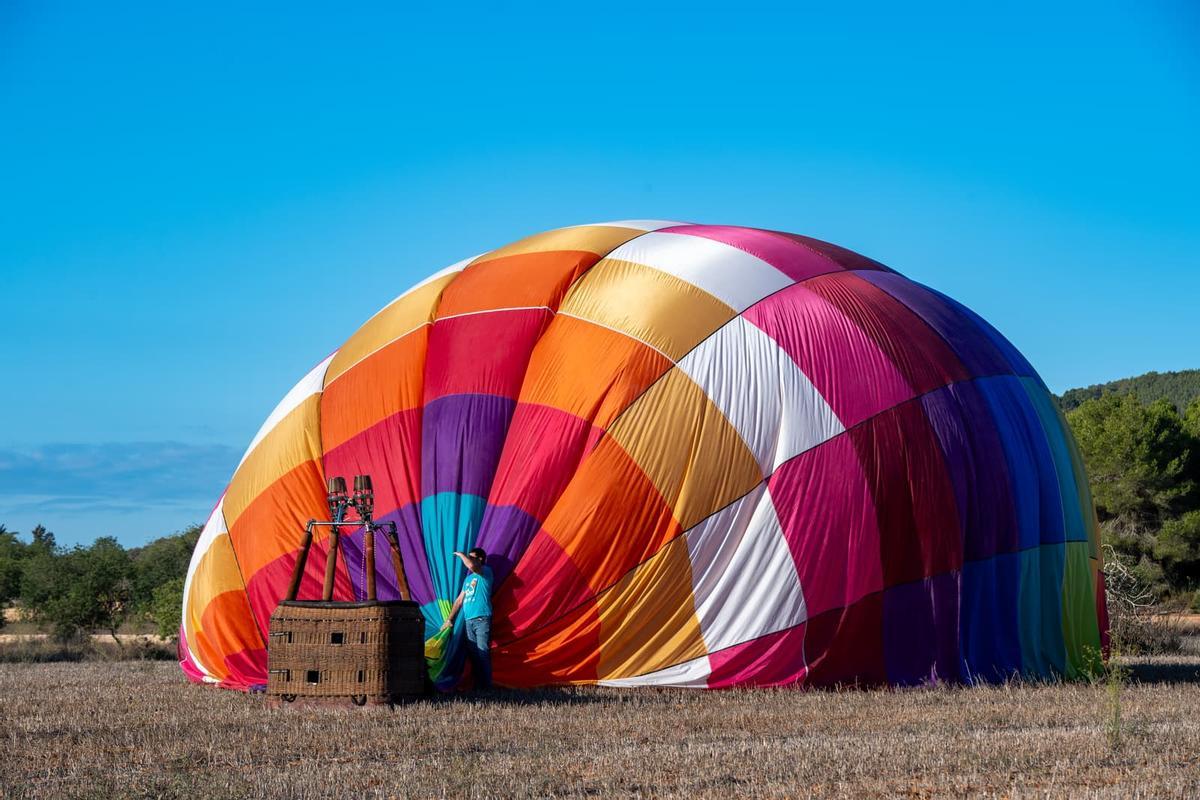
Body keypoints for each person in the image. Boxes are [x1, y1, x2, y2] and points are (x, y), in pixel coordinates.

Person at [440, 547, 494, 690]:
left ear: (480, 559)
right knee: (474, 655)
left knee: (482, 652)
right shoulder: (468, 579)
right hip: (469, 621)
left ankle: (487, 688)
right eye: (468, 556)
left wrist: (461, 555)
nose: (469, 559)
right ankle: (478, 686)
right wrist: (449, 619)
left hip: (482, 618)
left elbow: (471, 565)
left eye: (472, 556)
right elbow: (459, 601)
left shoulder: (485, 572)